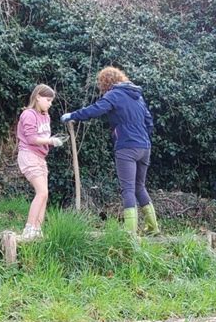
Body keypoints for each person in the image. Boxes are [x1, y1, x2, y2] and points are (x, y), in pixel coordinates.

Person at [60, 66, 159, 236]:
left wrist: (73, 115)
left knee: (128, 189)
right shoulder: (138, 97)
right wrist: (141, 137)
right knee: (139, 187)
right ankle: (153, 228)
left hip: (126, 147)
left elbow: (96, 109)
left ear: (105, 82)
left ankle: (130, 233)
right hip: (144, 147)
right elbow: (149, 122)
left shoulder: (114, 94)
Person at [16, 84, 64, 241]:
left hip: (41, 158)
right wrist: (51, 141)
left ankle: (37, 230)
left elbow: (43, 136)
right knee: (42, 192)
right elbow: (31, 138)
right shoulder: (28, 114)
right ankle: (29, 229)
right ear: (38, 97)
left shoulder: (46, 116)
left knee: (45, 194)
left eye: (51, 101)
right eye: (48, 100)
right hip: (28, 155)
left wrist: (53, 140)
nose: (50, 103)